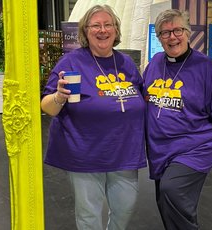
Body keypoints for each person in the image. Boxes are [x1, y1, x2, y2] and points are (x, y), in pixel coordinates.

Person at [40, 4, 146, 230]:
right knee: (89, 216)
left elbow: (141, 95)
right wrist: (59, 96)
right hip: (85, 153)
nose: (102, 30)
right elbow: (47, 107)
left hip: (124, 151)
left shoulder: (126, 63)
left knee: (125, 208)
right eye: (95, 25)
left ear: (116, 30)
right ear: (85, 32)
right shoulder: (71, 62)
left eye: (108, 25)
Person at [143, 9, 212, 229]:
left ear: (187, 32)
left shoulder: (204, 66)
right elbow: (144, 96)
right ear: (159, 38)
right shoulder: (155, 63)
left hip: (195, 146)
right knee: (167, 204)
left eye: (177, 30)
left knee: (172, 191)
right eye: (165, 33)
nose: (172, 37)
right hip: (160, 148)